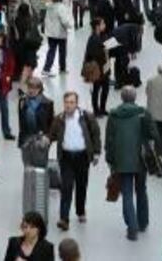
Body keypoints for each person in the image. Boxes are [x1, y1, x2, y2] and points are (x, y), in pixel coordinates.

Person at [105, 86, 161, 241]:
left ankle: (132, 227)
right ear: (135, 98)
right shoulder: (143, 113)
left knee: (127, 193)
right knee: (141, 190)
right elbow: (154, 134)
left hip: (121, 160)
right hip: (140, 159)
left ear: (122, 98)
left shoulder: (114, 115)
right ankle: (143, 222)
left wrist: (110, 160)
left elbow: (109, 140)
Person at [48, 92, 101, 231]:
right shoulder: (59, 119)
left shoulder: (87, 117)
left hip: (83, 157)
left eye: (71, 102)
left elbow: (96, 134)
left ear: (76, 104)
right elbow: (51, 135)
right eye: (66, 102)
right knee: (66, 187)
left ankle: (80, 210)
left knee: (81, 185)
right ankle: (64, 219)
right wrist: (44, 143)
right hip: (66, 158)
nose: (69, 105)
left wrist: (96, 153)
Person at [83, 18, 110, 117]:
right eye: (103, 23)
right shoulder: (93, 38)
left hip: (104, 67)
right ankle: (96, 110)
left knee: (105, 88)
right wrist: (104, 49)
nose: (104, 25)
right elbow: (93, 53)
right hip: (97, 68)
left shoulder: (102, 36)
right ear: (97, 26)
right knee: (96, 89)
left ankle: (103, 108)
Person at [42, 0, 73, 76]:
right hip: (60, 33)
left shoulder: (49, 6)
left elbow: (46, 19)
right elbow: (65, 21)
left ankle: (46, 68)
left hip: (50, 33)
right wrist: (70, 25)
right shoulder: (61, 7)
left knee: (51, 50)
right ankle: (62, 68)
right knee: (62, 51)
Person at [18, 77, 54, 148]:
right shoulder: (22, 101)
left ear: (40, 89)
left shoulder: (48, 103)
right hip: (26, 138)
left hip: (41, 138)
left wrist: (48, 138)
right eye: (29, 88)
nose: (31, 91)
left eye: (35, 88)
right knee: (27, 158)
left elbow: (50, 122)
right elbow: (21, 121)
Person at [13, 2, 43, 87]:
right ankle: (22, 85)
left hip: (21, 45)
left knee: (27, 65)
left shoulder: (17, 20)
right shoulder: (30, 21)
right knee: (28, 66)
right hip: (30, 46)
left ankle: (30, 84)